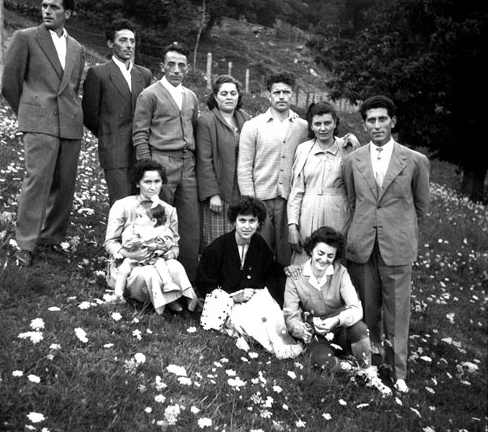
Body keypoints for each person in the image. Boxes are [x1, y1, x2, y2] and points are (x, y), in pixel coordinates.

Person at [343, 95, 430, 393]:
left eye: (382, 119)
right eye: (371, 120)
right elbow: (353, 202)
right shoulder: (352, 161)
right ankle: (369, 363)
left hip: (397, 245)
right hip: (363, 243)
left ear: (393, 121)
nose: (377, 125)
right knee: (366, 306)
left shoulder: (415, 161)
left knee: (397, 309)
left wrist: (401, 232)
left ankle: (397, 370)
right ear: (364, 124)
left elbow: (421, 207)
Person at [2, 0, 86, 267]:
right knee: (37, 182)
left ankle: (51, 238)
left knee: (65, 185)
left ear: (68, 13)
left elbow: (73, 88)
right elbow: (9, 84)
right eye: (44, 6)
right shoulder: (25, 38)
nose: (47, 11)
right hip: (39, 122)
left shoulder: (77, 48)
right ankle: (25, 243)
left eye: (54, 7)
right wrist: (30, 114)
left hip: (70, 124)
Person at [284, 226, 391, 395]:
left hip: (342, 328)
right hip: (316, 334)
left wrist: (336, 320)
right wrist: (301, 330)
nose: (324, 259)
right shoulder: (296, 277)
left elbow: (356, 308)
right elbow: (290, 316)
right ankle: (351, 367)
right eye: (320, 253)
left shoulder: (341, 273)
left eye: (330, 256)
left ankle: (369, 374)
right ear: (311, 251)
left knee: (360, 329)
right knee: (322, 362)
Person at [196, 196, 303, 359]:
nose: (247, 226)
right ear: (234, 222)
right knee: (251, 322)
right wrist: (233, 298)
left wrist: (285, 269)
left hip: (254, 296)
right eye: (242, 220)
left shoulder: (258, 243)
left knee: (272, 316)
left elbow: (269, 266)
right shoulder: (218, 248)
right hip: (229, 301)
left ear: (258, 223)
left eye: (252, 221)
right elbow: (204, 283)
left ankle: (284, 348)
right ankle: (267, 346)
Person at [132, 42, 199, 280]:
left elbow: (194, 128)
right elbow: (140, 133)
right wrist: (148, 170)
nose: (176, 70)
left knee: (189, 224)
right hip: (161, 162)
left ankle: (187, 280)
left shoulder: (191, 97)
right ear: (162, 66)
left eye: (181, 65)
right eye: (171, 64)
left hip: (187, 164)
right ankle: (155, 280)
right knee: (159, 221)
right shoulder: (149, 94)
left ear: (187, 68)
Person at [105, 160, 198, 314]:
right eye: (147, 182)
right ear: (137, 183)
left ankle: (187, 302)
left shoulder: (168, 210)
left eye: (157, 181)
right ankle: (163, 304)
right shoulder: (123, 205)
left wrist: (169, 253)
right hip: (128, 264)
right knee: (149, 273)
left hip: (157, 258)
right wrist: (129, 254)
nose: (153, 187)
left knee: (175, 266)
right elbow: (110, 242)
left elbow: (174, 244)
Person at [238, 71, 308, 267]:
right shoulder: (253, 126)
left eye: (286, 92)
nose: (281, 97)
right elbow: (244, 167)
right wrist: (251, 203)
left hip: (289, 200)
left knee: (288, 255)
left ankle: (286, 286)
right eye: (277, 92)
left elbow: (323, 139)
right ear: (269, 95)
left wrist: (345, 140)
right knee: (260, 252)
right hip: (261, 199)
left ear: (292, 95)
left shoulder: (303, 127)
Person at [82, 18, 153, 206]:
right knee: (121, 205)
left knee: (143, 205)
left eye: (132, 41)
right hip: (114, 150)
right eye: (123, 40)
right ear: (110, 43)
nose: (129, 45)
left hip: (140, 151)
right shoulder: (98, 74)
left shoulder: (144, 75)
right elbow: (89, 115)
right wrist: (109, 133)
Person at [288, 102, 359, 265]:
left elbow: (356, 184)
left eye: (327, 123)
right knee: (305, 262)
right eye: (317, 124)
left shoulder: (346, 147)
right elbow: (296, 191)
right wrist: (292, 225)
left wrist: (354, 144)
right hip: (308, 213)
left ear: (335, 123)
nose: (323, 128)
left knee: (334, 261)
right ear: (311, 126)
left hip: (338, 213)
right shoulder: (303, 149)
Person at [196, 74, 250, 247]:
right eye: (224, 93)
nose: (229, 97)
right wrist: (213, 194)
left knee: (240, 235)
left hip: (240, 187)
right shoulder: (206, 121)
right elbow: (204, 160)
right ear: (215, 96)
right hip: (219, 188)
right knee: (217, 239)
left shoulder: (245, 118)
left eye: (233, 93)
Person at [108, 201, 180, 303]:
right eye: (136, 216)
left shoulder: (160, 230)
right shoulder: (135, 229)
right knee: (124, 269)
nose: (136, 219)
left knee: (161, 264)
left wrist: (156, 245)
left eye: (140, 216)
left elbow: (168, 242)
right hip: (135, 257)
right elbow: (126, 241)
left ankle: (168, 283)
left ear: (153, 221)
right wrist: (135, 243)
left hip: (153, 257)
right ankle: (118, 294)